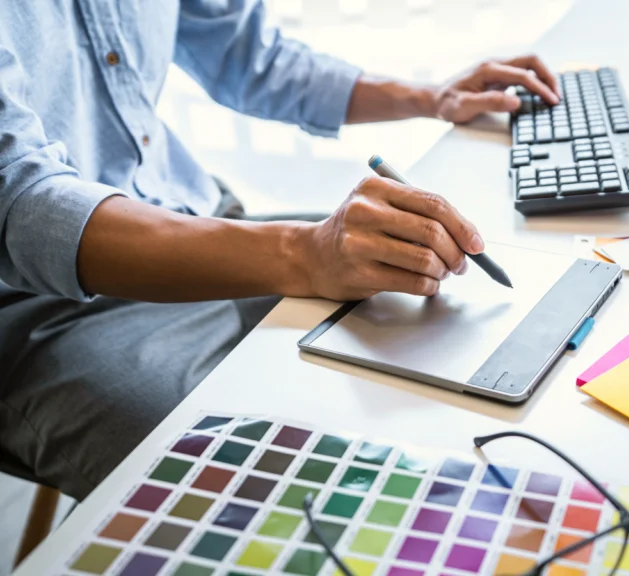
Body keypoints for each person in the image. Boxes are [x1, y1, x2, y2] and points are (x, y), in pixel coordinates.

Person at [0, 1, 560, 500]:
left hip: (201, 218)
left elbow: (250, 56)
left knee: (437, 335)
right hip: (43, 311)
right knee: (256, 491)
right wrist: (303, 253)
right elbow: (23, 209)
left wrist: (433, 97)